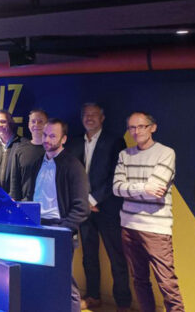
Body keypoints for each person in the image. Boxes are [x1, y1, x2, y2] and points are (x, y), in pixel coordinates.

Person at [113, 112, 185, 312]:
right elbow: (117, 188)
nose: (136, 131)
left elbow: (158, 190)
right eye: (132, 128)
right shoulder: (124, 155)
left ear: (153, 127)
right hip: (128, 226)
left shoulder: (166, 153)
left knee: (167, 282)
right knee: (139, 280)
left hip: (156, 228)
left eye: (141, 126)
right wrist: (144, 188)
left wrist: (132, 188)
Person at [67, 103, 130, 311]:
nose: (89, 118)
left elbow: (116, 175)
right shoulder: (75, 142)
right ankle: (93, 296)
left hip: (107, 209)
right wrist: (82, 201)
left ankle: (123, 302)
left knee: (116, 257)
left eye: (94, 115)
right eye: (86, 115)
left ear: (102, 118)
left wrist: (93, 200)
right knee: (89, 256)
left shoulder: (115, 141)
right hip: (84, 211)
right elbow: (71, 175)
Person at [26, 118, 90, 312]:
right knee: (39, 280)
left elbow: (82, 208)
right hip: (37, 227)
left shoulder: (73, 165)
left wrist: (63, 230)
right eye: (45, 135)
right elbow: (30, 195)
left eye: (53, 135)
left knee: (63, 282)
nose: (47, 139)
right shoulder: (37, 163)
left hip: (59, 229)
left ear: (64, 139)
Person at [10, 109, 48, 201]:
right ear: (28, 124)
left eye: (40, 121)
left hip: (50, 206)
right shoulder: (20, 150)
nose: (36, 125)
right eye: (33, 121)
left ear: (47, 125)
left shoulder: (53, 149)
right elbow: (15, 180)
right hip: (26, 204)